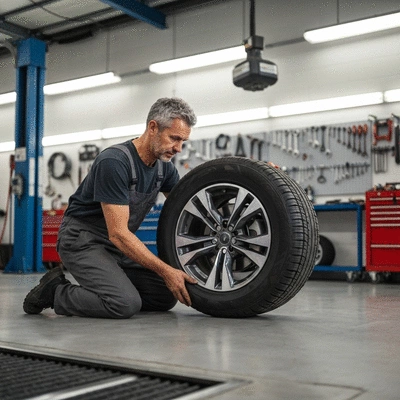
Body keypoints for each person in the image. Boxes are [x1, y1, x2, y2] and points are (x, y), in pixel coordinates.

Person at [23, 97, 198, 318]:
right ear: (153, 127)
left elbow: (186, 212)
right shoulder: (115, 162)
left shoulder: (165, 170)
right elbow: (118, 233)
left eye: (183, 141)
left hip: (116, 247)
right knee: (124, 304)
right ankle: (56, 291)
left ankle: (109, 286)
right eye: (174, 138)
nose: (179, 148)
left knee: (163, 295)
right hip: (82, 241)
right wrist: (165, 270)